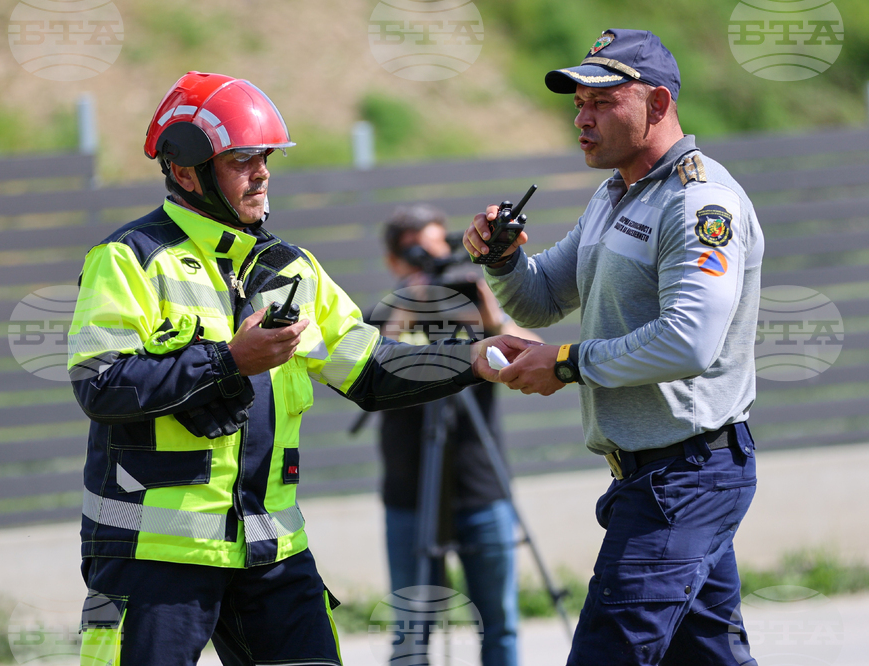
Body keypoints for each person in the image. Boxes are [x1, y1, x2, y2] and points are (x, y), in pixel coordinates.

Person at [66, 71, 530, 666]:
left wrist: (472, 358)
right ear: (185, 171)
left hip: (271, 550)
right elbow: (100, 386)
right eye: (241, 159)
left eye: (266, 157)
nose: (261, 172)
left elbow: (372, 370)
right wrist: (230, 360)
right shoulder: (128, 259)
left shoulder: (294, 267)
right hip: (152, 558)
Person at [463, 30, 764, 666]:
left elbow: (690, 341)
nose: (582, 117)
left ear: (657, 103)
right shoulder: (616, 193)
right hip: (662, 477)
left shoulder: (698, 201)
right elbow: (539, 299)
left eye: (602, 102)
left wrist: (567, 364)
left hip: (685, 477)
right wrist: (503, 257)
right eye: (577, 103)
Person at [374, 205, 540, 666]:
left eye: (439, 251)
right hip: (410, 493)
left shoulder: (474, 313)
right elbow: (371, 367)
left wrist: (488, 308)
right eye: (417, 254)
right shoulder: (386, 314)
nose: (433, 263)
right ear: (394, 261)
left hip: (481, 487)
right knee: (411, 628)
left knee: (500, 622)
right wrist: (409, 301)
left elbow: (532, 352)